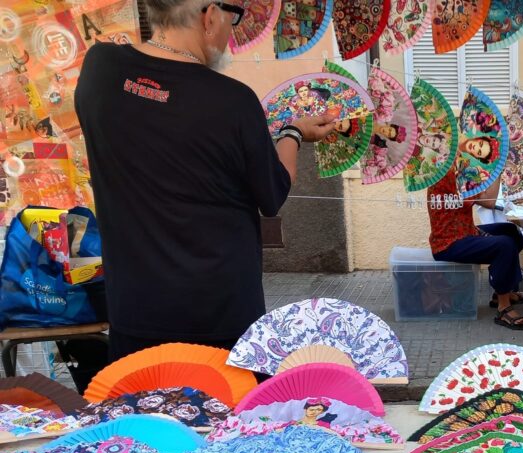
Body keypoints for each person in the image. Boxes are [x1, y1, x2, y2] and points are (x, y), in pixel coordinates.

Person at [74, 0, 336, 361]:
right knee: (225, 416)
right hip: (220, 320)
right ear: (209, 15)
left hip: (135, 314)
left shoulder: (100, 70)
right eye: (233, 17)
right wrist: (291, 132)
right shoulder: (233, 102)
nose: (232, 30)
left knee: (142, 414)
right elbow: (273, 192)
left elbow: (154, 113)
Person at [427, 168, 523, 330]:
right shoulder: (452, 174)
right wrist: (497, 170)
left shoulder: (453, 170)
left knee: (510, 231)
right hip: (449, 243)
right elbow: (488, 201)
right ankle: (503, 308)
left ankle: (501, 293)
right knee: (504, 245)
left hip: (465, 232)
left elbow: (480, 193)